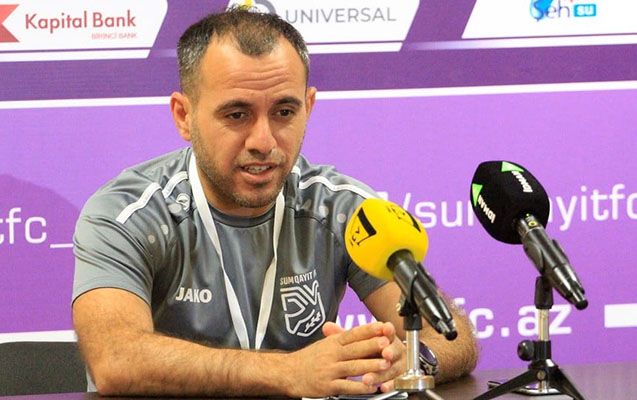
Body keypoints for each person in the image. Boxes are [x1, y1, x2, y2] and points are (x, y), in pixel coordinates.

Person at [71, 7, 478, 398]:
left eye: (284, 111)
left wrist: (413, 360)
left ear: (308, 107)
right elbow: (116, 358)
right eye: (236, 115)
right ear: (184, 116)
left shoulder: (343, 210)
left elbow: (451, 337)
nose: (263, 142)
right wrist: (287, 372)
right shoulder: (128, 213)